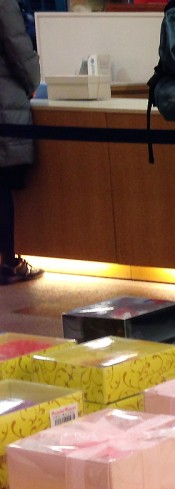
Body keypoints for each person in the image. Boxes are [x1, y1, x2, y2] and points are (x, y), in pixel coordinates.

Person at [0, 0, 42, 285]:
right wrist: (33, 82)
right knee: (2, 188)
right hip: (4, 102)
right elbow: (17, 46)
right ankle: (8, 262)